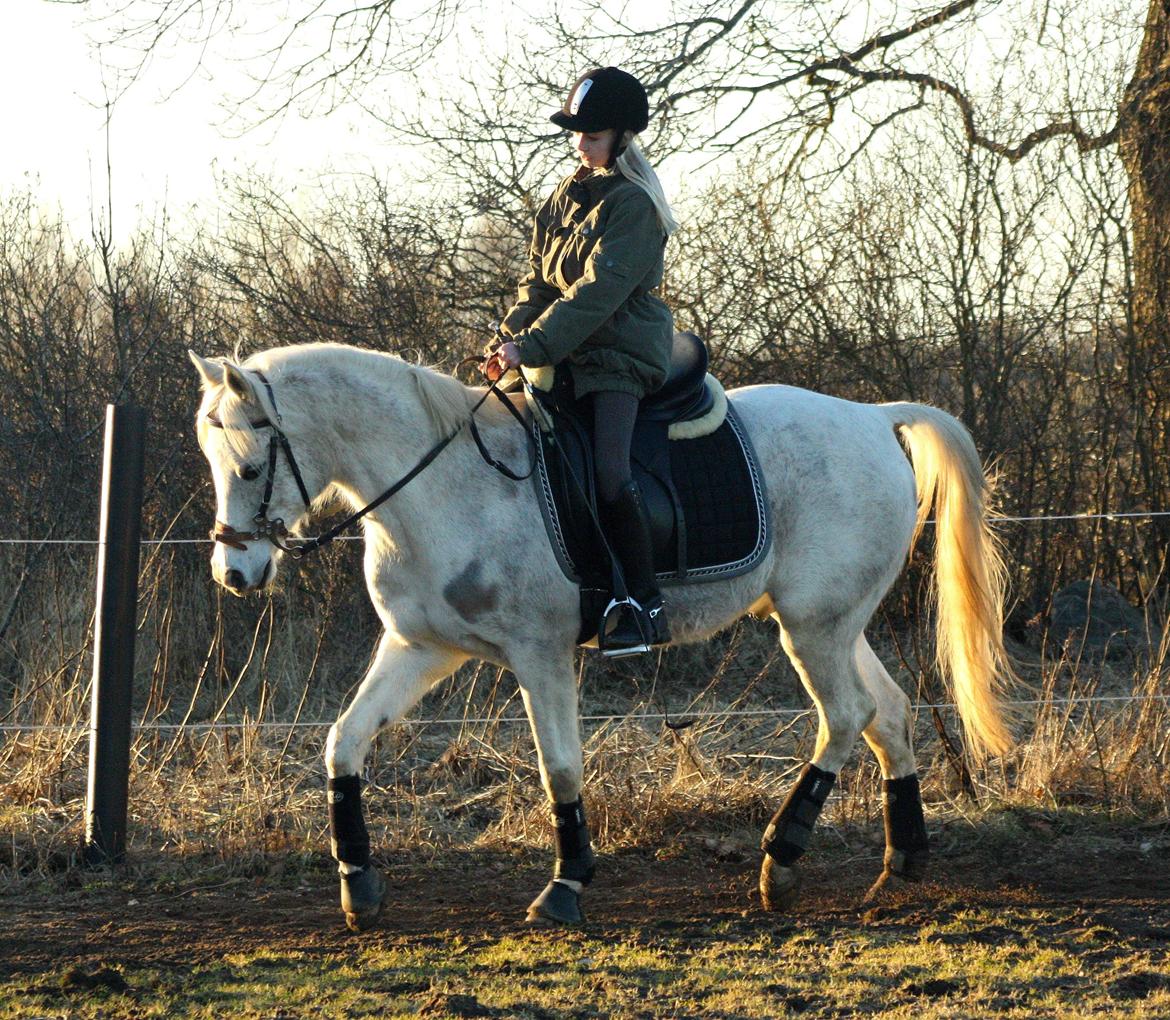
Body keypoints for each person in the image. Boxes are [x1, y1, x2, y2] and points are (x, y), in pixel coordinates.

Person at [486, 66, 678, 655]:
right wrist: (509, 339)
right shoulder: (563, 198)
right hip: (563, 355)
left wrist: (535, 346)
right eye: (577, 134)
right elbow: (539, 286)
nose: (581, 144)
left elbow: (598, 292)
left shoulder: (634, 206)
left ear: (621, 138)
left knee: (610, 473)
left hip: (618, 358)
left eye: (592, 136)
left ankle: (644, 604)